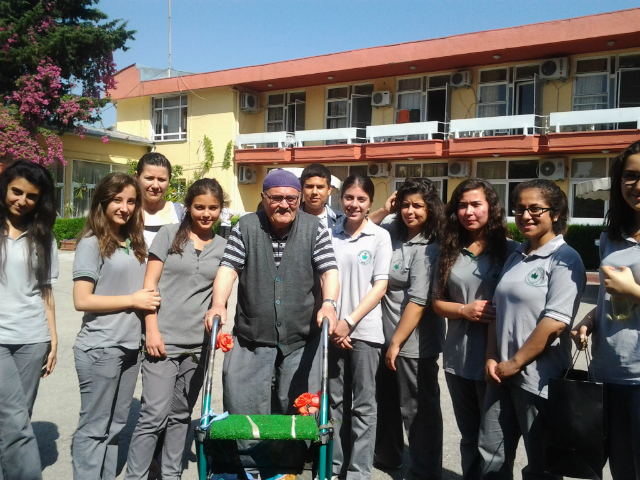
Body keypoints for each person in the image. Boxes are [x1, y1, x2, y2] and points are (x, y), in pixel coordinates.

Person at [204, 168, 339, 470]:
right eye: (276, 198)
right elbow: (228, 268)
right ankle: (250, 469)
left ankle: (287, 470)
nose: (284, 204)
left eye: (291, 198)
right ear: (264, 198)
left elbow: (329, 269)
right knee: (244, 403)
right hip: (252, 337)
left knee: (295, 409)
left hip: (299, 340)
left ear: (299, 199)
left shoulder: (313, 228)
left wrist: (329, 303)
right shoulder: (247, 226)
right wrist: (218, 303)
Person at [478, 179, 585, 480]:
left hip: (539, 380)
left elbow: (554, 323)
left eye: (535, 209)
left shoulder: (565, 259)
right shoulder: (516, 255)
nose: (525, 216)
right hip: (500, 375)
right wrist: (491, 358)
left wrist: (515, 363)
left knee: (541, 464)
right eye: (520, 209)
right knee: (492, 455)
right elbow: (495, 311)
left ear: (556, 213)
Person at [125, 178, 228, 480]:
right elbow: (149, 286)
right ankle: (137, 476)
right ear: (188, 207)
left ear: (221, 209)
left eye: (213, 208)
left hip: (199, 347)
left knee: (181, 415)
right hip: (163, 341)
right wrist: (152, 330)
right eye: (199, 207)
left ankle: (172, 474)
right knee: (153, 416)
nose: (206, 214)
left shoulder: (225, 246)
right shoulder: (169, 235)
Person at [71, 173, 160, 480]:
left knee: (116, 427)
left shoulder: (133, 243)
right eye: (118, 200)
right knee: (94, 427)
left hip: (129, 347)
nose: (125, 207)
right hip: (100, 346)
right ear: (103, 201)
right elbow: (82, 300)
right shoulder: (92, 242)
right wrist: (133, 300)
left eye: (132, 201)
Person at [432, 179, 517, 480]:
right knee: (468, 438)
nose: (469, 211)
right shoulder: (450, 251)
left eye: (476, 204)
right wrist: (464, 310)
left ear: (491, 207)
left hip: (495, 363)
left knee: (493, 442)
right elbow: (436, 303)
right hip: (457, 360)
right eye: (462, 205)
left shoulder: (512, 252)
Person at [571, 140, 640, 479]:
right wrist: (590, 318)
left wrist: (634, 292)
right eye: (630, 176)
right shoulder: (613, 236)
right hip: (608, 368)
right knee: (620, 467)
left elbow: (628, 293)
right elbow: (611, 300)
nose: (638, 186)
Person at [372, 178, 446, 480]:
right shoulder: (393, 231)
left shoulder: (430, 246)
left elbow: (418, 300)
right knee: (387, 403)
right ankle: (389, 457)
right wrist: (385, 208)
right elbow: (364, 224)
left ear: (431, 208)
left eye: (417, 205)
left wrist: (396, 343)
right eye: (405, 204)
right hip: (385, 338)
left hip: (413, 344)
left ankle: (425, 471)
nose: (409, 211)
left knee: (418, 412)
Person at [329, 174, 393, 480]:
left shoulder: (379, 237)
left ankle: (358, 472)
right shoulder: (330, 233)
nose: (354, 204)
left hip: (364, 332)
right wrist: (334, 324)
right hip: (332, 332)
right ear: (341, 199)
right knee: (334, 404)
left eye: (361, 199)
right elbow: (323, 280)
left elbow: (380, 286)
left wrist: (349, 322)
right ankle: (333, 466)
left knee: (364, 407)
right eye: (349, 198)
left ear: (370, 203)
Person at [0, 160, 58, 480]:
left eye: (31, 196)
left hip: (33, 338)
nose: (21, 200)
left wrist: (53, 339)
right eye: (16, 191)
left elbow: (45, 292)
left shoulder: (43, 237)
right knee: (15, 421)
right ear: (5, 189)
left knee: (16, 417)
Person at [135, 152, 183, 247]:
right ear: (137, 177)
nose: (155, 186)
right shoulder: (126, 211)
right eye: (149, 178)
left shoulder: (180, 213)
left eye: (161, 180)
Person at [299, 163, 343, 231]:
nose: (314, 192)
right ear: (302, 189)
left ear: (329, 190)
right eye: (310, 187)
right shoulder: (291, 219)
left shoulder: (341, 221)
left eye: (320, 187)